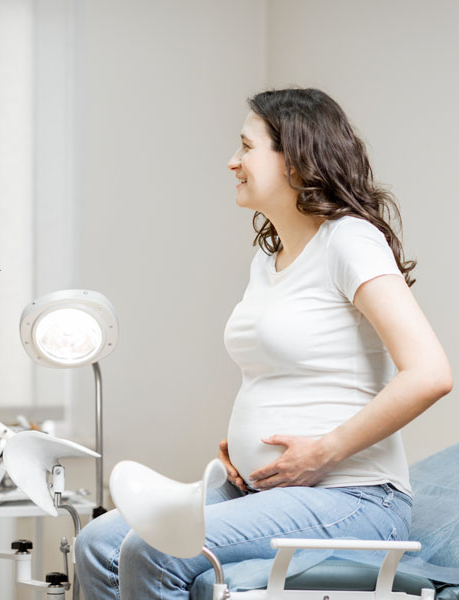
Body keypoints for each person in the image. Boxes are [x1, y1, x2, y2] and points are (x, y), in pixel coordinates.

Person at [74, 88, 453, 599]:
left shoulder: (349, 240)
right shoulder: (267, 260)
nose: (232, 162)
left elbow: (430, 374)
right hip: (263, 488)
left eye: (247, 147)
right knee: (97, 543)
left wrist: (322, 452)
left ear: (295, 158)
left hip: (355, 497)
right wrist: (245, 443)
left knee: (155, 549)